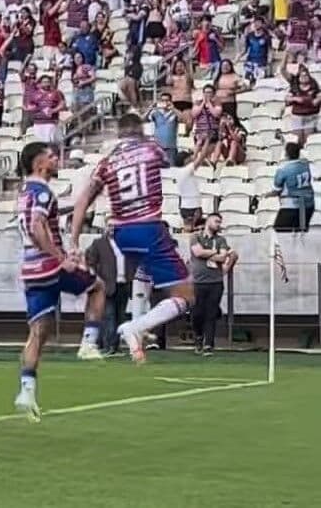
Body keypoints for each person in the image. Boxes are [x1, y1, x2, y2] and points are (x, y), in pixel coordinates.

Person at [71, 113, 193, 364]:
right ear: (140, 130)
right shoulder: (151, 149)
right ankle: (136, 327)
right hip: (148, 227)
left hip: (120, 233)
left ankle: (105, 337)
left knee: (134, 284)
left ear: (119, 133)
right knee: (186, 294)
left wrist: (73, 241)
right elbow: (170, 163)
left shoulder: (107, 162)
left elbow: (82, 201)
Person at [14, 142, 105, 421]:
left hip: (30, 269)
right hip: (48, 266)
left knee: (38, 333)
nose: (56, 160)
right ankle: (89, 342)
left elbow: (43, 217)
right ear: (39, 163)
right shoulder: (42, 191)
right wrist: (59, 256)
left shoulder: (24, 192)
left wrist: (84, 199)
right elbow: (37, 226)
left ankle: (26, 391)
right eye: (51, 156)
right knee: (98, 286)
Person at [189, 213, 237, 356]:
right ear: (208, 221)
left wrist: (208, 253)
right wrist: (214, 253)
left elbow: (223, 256)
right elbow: (197, 253)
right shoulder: (195, 237)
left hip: (215, 281)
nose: (218, 224)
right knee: (197, 313)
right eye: (216, 221)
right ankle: (198, 337)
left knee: (211, 313)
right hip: (198, 281)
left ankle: (209, 344)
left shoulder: (221, 239)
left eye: (220, 222)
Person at [270, 142, 314, 231]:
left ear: (286, 154)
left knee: (280, 231)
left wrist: (266, 195)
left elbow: (276, 190)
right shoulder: (306, 165)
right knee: (301, 233)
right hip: (308, 205)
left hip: (292, 205)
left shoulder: (283, 170)